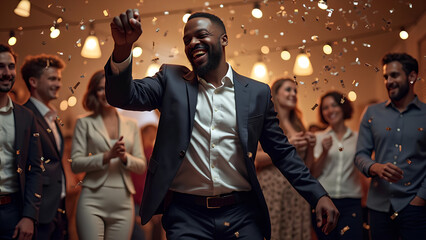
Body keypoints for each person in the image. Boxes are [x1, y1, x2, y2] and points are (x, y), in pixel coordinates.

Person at [105, 10, 339, 240]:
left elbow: (283, 152)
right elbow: (122, 97)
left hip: (242, 214)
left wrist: (318, 195)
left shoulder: (256, 93)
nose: (192, 43)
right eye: (187, 40)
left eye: (201, 35)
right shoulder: (171, 80)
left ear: (223, 39)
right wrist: (123, 48)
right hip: (186, 215)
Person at [355, 53, 426, 240]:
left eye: (394, 75)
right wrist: (374, 167)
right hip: (379, 207)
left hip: (416, 207)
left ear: (412, 76)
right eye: (386, 77)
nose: (388, 81)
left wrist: (421, 198)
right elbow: (360, 154)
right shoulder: (371, 112)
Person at [70, 70, 147, 240]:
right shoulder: (84, 123)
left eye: (109, 88)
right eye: (99, 89)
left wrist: (124, 157)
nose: (105, 93)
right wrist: (107, 156)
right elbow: (75, 164)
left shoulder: (132, 124)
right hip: (91, 200)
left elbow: (141, 165)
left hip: (124, 203)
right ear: (93, 93)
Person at [255, 78, 316, 240]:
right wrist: (289, 144)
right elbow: (256, 159)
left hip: (297, 192)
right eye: (288, 90)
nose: (293, 94)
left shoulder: (299, 125)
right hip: (273, 190)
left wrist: (311, 146)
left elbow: (307, 167)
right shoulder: (267, 123)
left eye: (295, 91)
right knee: (274, 233)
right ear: (276, 94)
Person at [21, 54, 68, 239]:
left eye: (59, 79)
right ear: (33, 81)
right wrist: (29, 214)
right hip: (38, 209)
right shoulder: (24, 116)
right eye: (52, 78)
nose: (58, 84)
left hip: (59, 205)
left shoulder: (52, 118)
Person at [0, 44, 43, 240]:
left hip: (12, 212)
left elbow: (35, 169)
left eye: (10, 66)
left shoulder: (26, 117)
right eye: (0, 66)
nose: (7, 73)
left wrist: (29, 216)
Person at [311, 91, 363, 239]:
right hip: (325, 201)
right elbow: (313, 173)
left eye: (334, 105)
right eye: (325, 108)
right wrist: (324, 151)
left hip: (351, 200)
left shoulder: (358, 138)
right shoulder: (319, 138)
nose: (330, 110)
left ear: (343, 107)